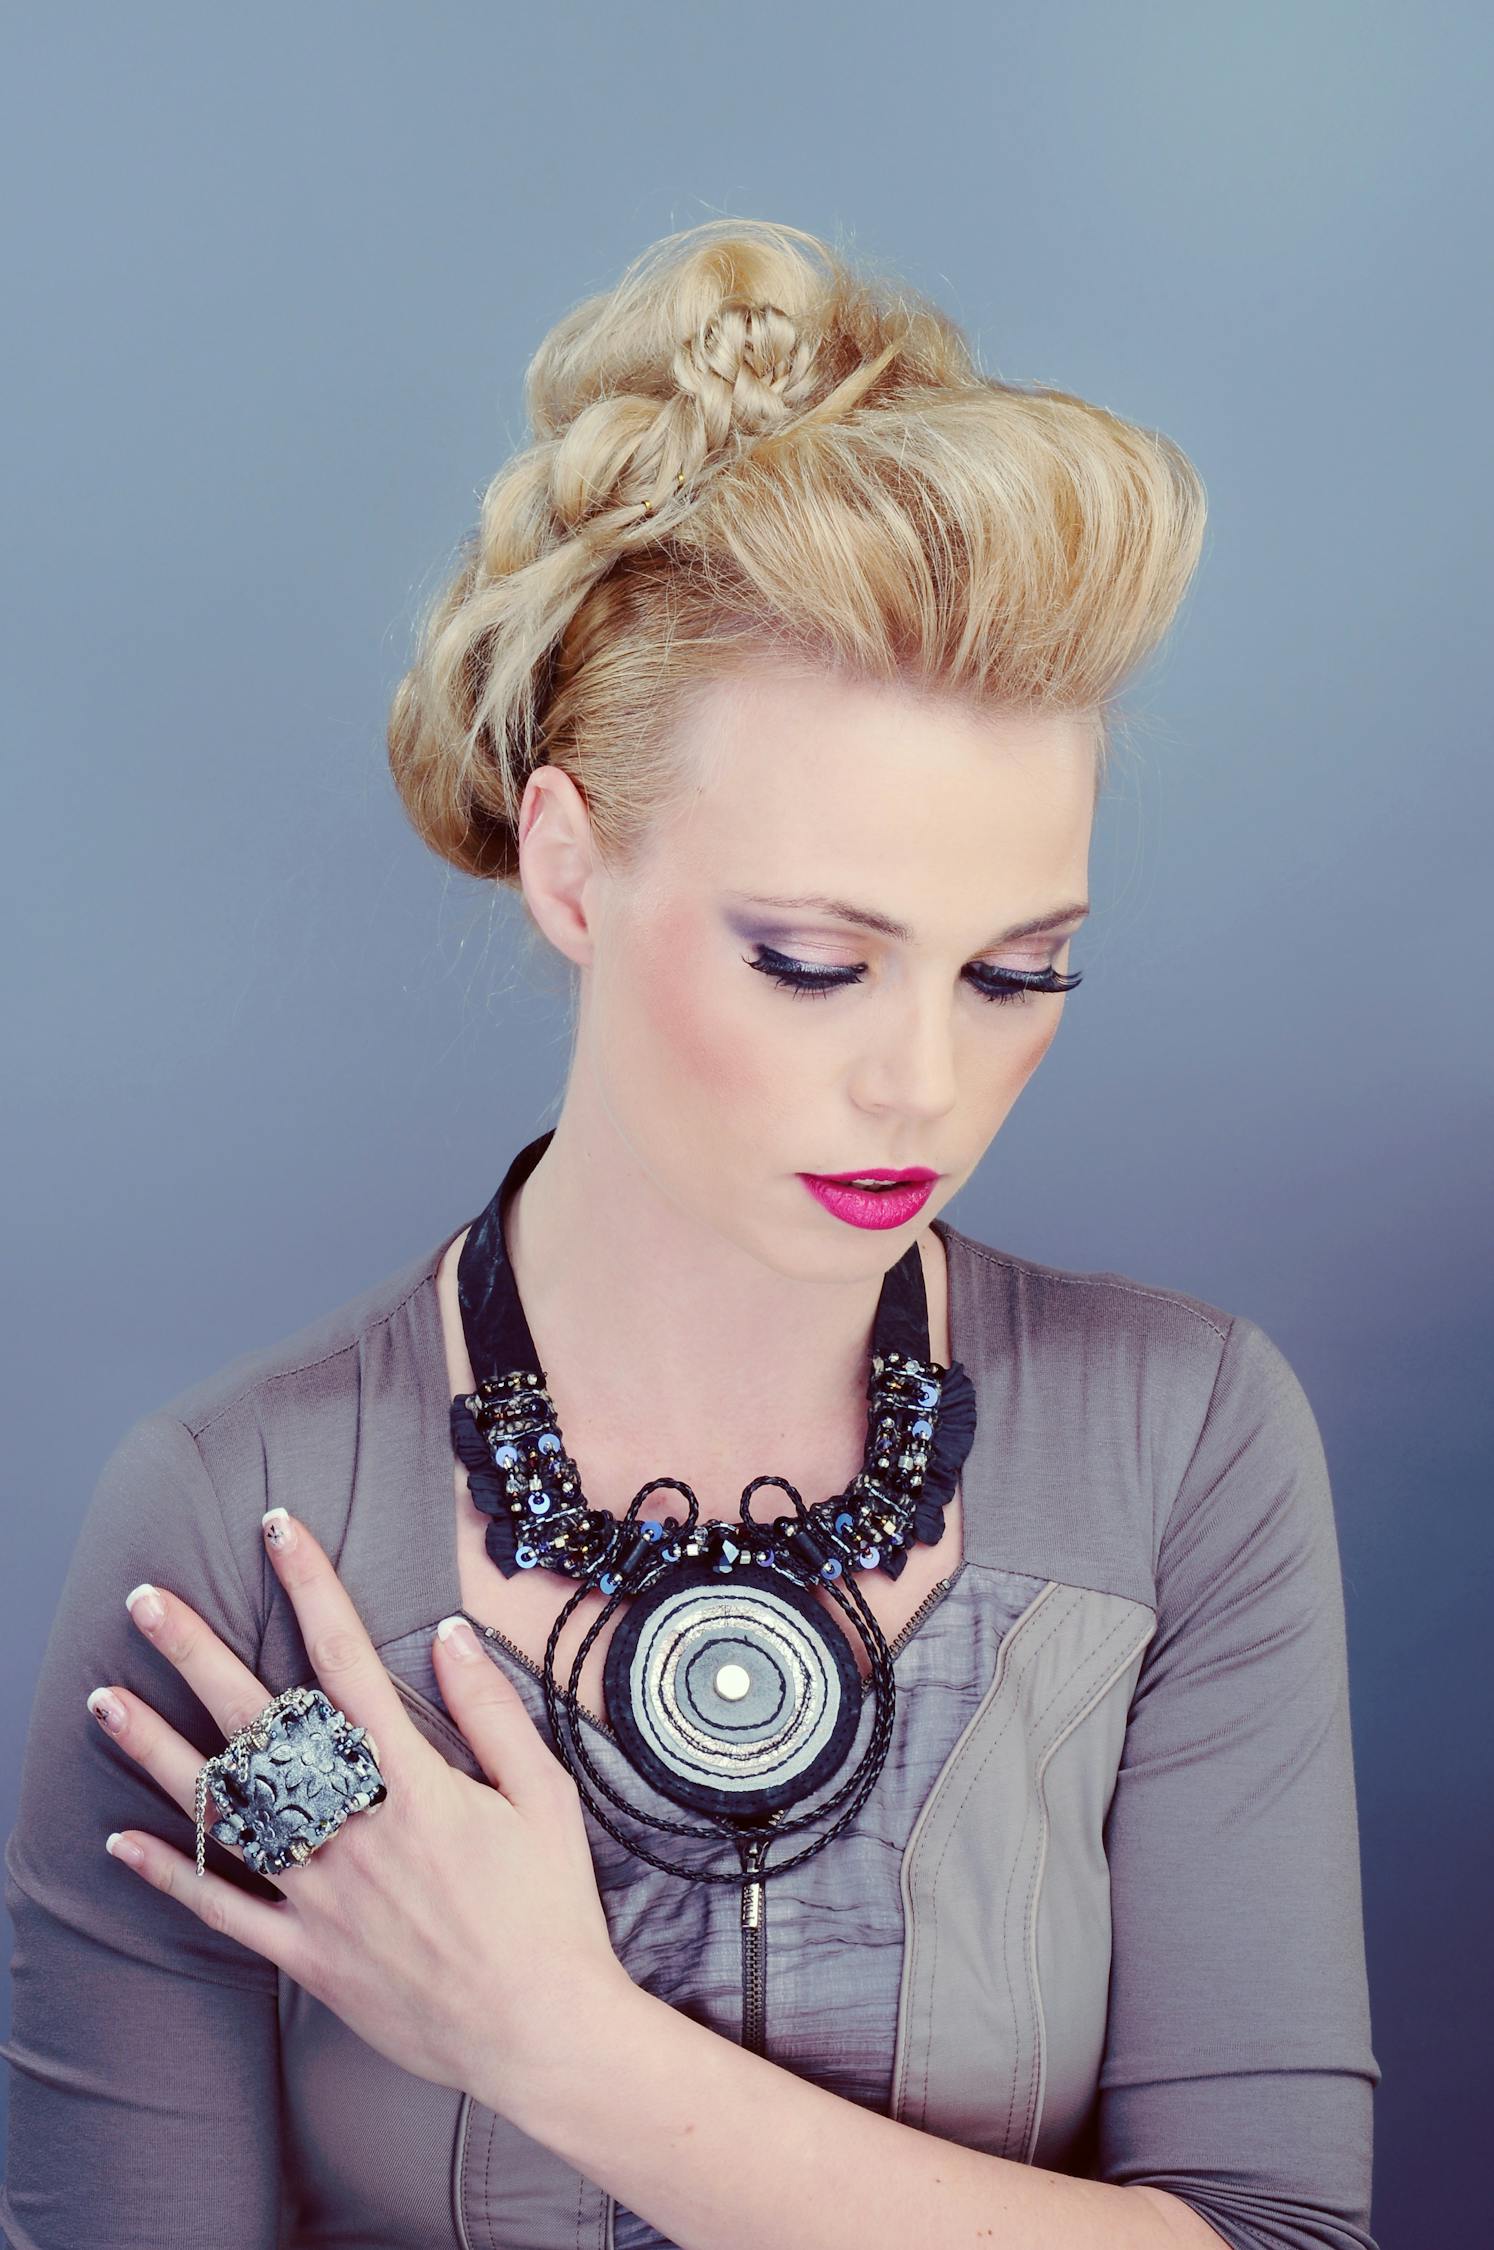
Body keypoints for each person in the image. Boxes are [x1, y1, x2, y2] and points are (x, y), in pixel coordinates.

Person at [1, 218, 1380, 2250]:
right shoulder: (242, 1527)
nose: (924, 1082)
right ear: (571, 870)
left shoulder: (1183, 1445)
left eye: (1017, 973)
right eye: (813, 960)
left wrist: (558, 2045)